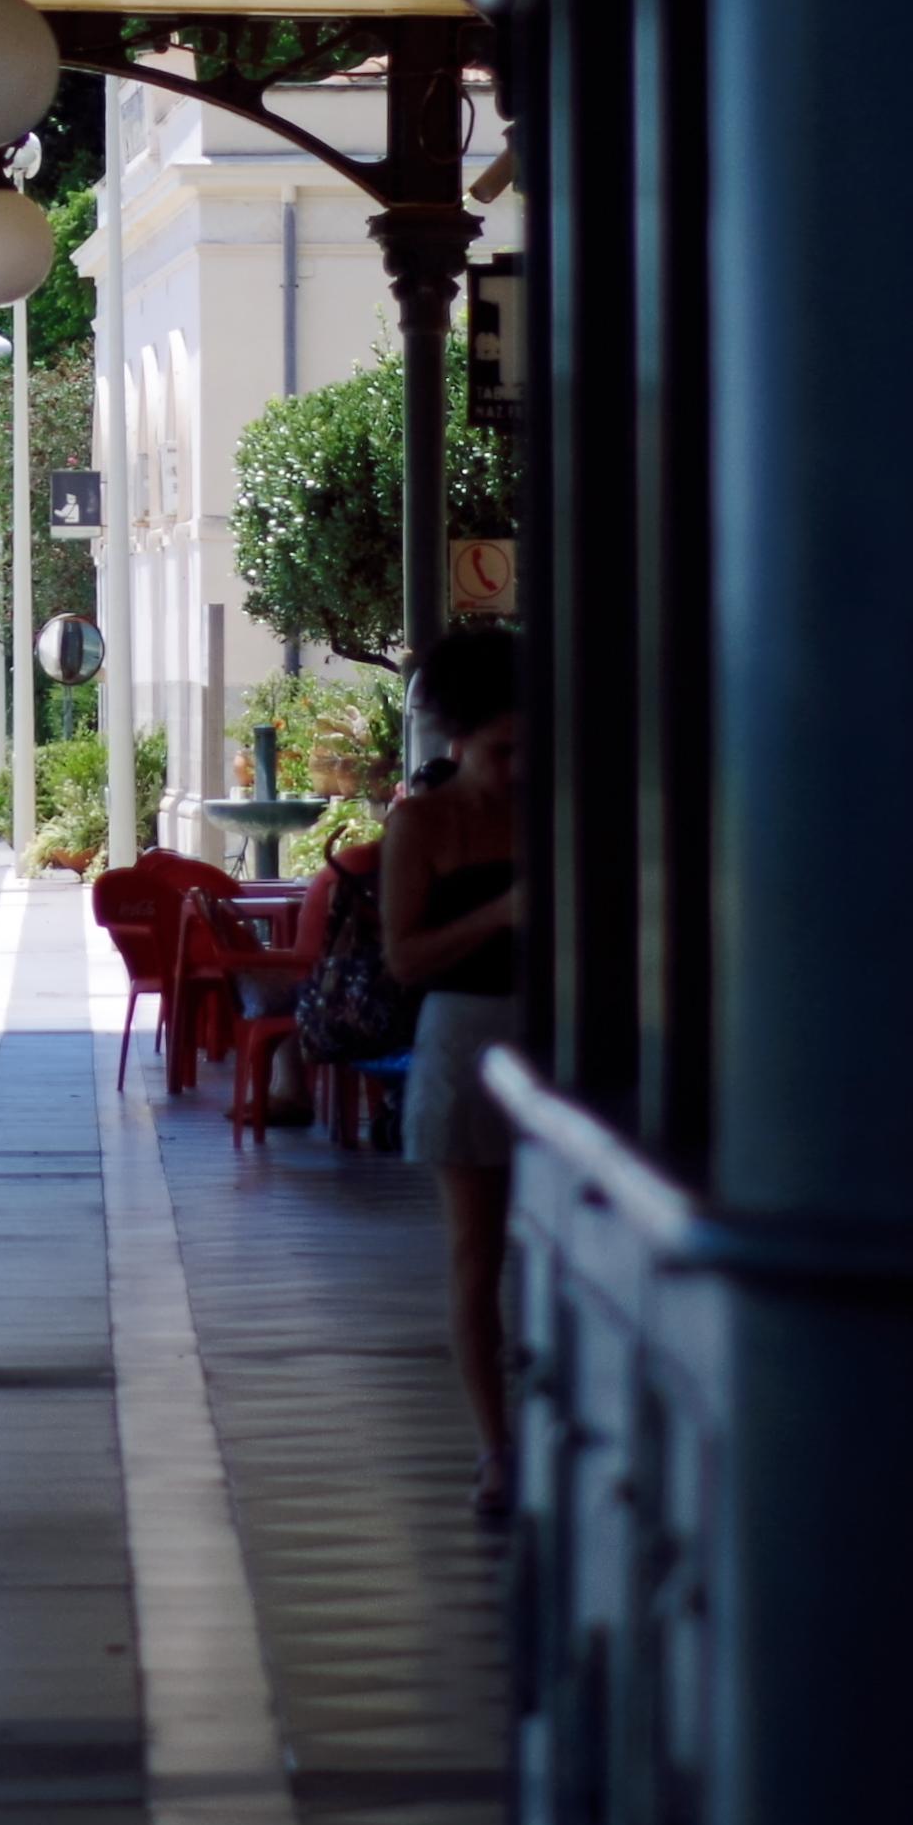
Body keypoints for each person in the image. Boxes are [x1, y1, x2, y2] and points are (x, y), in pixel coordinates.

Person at [384, 620, 526, 1520]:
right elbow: (406, 958)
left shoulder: (557, 805)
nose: (520, 769)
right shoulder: (422, 822)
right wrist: (505, 914)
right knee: (476, 1255)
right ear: (462, 740)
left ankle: (556, 1425)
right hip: (464, 1041)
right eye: (505, 752)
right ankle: (497, 1447)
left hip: (558, 1043)